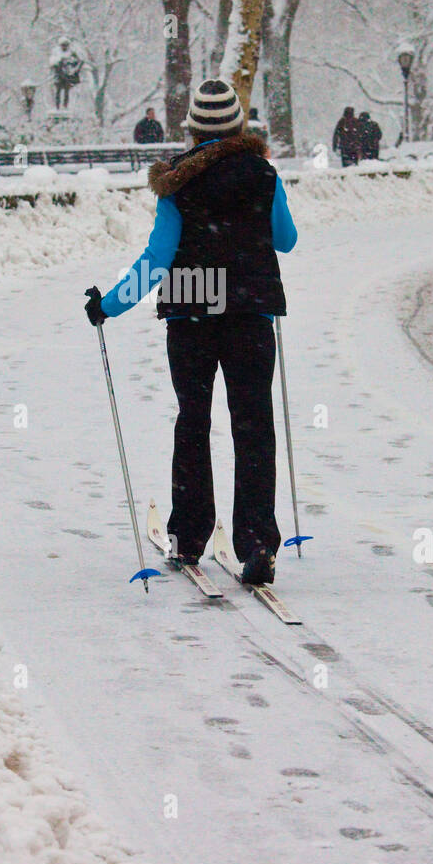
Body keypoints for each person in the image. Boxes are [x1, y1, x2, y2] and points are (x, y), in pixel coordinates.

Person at [84, 78, 297, 587]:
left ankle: (189, 536)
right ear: (239, 126)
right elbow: (286, 240)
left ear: (194, 129)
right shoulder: (264, 175)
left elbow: (158, 259)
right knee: (253, 426)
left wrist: (108, 306)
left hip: (192, 319)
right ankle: (259, 542)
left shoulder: (177, 182)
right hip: (251, 317)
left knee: (193, 422)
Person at [49, 36, 83, 110]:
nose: (64, 47)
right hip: (59, 75)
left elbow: (80, 61)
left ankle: (65, 106)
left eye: (66, 45)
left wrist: (74, 70)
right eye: (63, 45)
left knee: (66, 92)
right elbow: (51, 62)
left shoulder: (72, 52)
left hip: (67, 76)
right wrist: (58, 62)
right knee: (58, 91)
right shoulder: (56, 51)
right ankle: (57, 107)